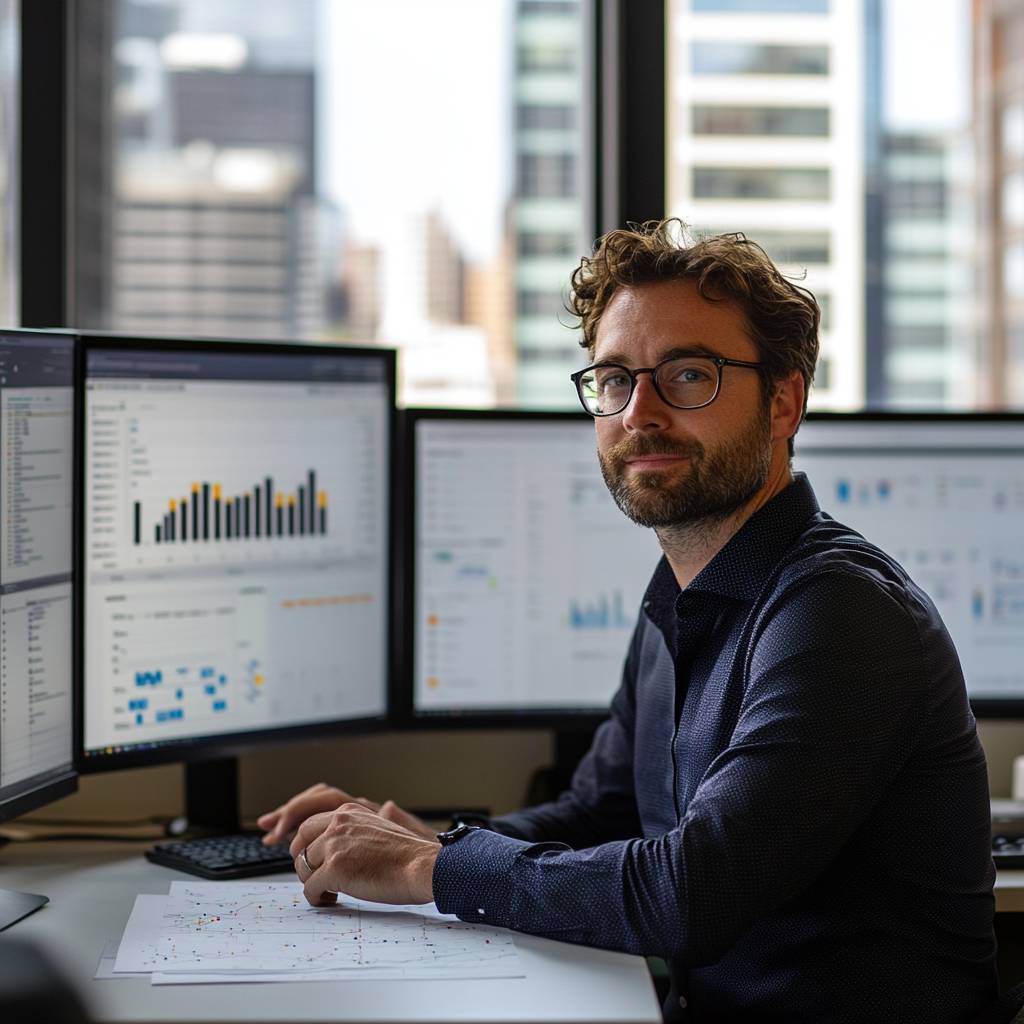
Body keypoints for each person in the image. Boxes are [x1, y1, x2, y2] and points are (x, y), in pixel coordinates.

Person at [259, 221, 997, 1023]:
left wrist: (429, 869)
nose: (640, 412)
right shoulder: (683, 595)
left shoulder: (838, 612)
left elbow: (691, 894)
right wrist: (426, 840)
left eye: (689, 375)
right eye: (615, 379)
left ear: (784, 400)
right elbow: (598, 816)